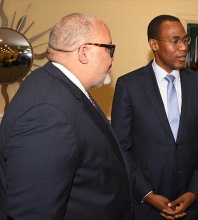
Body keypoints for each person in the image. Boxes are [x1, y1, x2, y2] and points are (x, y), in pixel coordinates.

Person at [0, 13, 132, 220]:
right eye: (109, 48)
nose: (112, 57)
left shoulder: (61, 85)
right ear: (84, 52)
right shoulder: (47, 113)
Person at [111, 14, 198, 219]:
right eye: (175, 41)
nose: (184, 47)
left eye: (185, 40)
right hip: (146, 204)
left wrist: (194, 192)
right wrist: (147, 194)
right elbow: (121, 149)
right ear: (154, 44)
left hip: (191, 204)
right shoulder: (129, 85)